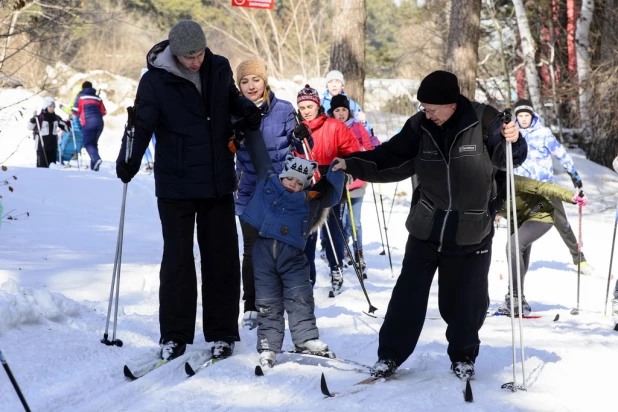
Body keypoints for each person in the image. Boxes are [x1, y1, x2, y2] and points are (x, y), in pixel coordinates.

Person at [331, 70, 528, 380]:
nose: (427, 113)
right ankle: (390, 355)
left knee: (466, 301)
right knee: (407, 295)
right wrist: (351, 163)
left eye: (432, 108)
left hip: (471, 229)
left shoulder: (484, 120)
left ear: (451, 103)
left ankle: (464, 356)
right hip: (427, 225)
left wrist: (514, 141)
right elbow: (391, 157)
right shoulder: (420, 126)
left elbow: (509, 159)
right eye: (423, 107)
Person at [115, 20, 260, 361]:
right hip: (175, 184)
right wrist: (128, 159)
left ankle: (223, 332)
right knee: (178, 261)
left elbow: (230, 98)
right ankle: (175, 334)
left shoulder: (219, 66)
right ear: (174, 52)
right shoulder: (155, 81)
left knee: (221, 258)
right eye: (188, 57)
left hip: (217, 181)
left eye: (199, 54)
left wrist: (246, 110)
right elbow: (141, 123)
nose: (195, 62)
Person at [240, 126, 344, 368]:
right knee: (268, 302)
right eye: (288, 178)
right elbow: (260, 156)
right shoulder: (269, 184)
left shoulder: (310, 200)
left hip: (293, 257)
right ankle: (268, 345)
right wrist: (251, 130)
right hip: (263, 254)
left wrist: (339, 171)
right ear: (281, 175)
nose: (291, 184)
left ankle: (305, 338)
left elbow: (331, 194)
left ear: (305, 186)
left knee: (300, 296)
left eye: (298, 182)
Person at [233, 58, 297, 330]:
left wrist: (304, 135)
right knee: (251, 249)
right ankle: (250, 304)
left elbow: (299, 147)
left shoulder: (283, 110)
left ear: (264, 81)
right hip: (249, 191)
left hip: (280, 191)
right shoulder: (233, 112)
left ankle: (275, 301)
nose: (251, 86)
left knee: (277, 249)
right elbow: (226, 147)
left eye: (255, 80)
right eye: (244, 81)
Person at [513, 99, 591, 275]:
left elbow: (561, 154)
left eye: (526, 115)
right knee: (523, 227)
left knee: (562, 223)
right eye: (520, 115)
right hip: (524, 189)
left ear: (532, 116)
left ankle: (579, 259)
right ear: (516, 117)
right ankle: (518, 265)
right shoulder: (513, 134)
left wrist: (575, 176)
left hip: (546, 187)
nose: (524, 119)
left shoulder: (544, 134)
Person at [295, 84, 361, 290]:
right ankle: (307, 275)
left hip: (331, 179)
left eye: (309, 106)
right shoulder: (298, 129)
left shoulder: (334, 126)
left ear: (317, 105)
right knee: (309, 230)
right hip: (307, 182)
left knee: (334, 226)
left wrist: (347, 169)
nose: (306, 111)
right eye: (302, 107)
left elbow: (352, 150)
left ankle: (336, 267)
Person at [494, 173, 588, 315]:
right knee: (518, 255)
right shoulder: (478, 193)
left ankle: (515, 298)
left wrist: (571, 196)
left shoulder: (513, 181)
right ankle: (517, 298)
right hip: (517, 220)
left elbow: (544, 187)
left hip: (539, 214)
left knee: (513, 246)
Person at [328, 94, 375, 272]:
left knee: (355, 222)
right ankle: (342, 251)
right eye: (337, 110)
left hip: (356, 182)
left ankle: (358, 252)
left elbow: (369, 148)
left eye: (344, 110)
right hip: (338, 183)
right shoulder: (330, 127)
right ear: (332, 112)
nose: (341, 113)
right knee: (341, 221)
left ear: (349, 111)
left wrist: (361, 151)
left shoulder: (357, 126)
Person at [73, 81, 106, 171]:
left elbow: (75, 110)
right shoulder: (97, 98)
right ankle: (94, 167)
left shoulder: (81, 96)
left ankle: (96, 158)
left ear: (82, 88)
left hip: (87, 123)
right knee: (94, 144)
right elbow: (104, 112)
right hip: (99, 123)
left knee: (88, 143)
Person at [28, 97, 67, 168]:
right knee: (41, 168)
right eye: (50, 106)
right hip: (41, 146)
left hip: (52, 146)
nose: (52, 108)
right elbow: (29, 127)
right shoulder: (39, 118)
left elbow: (65, 126)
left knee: (52, 167)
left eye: (53, 107)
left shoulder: (56, 118)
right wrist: (33, 119)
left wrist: (68, 122)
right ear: (45, 106)